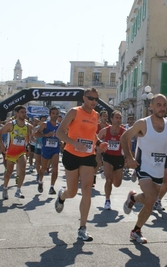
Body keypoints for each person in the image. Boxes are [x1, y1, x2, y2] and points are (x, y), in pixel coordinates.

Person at [120, 94, 167, 243]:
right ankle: (136, 231)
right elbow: (124, 137)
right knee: (152, 198)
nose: (162, 108)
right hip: (143, 166)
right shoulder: (143, 124)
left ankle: (133, 198)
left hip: (159, 168)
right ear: (151, 107)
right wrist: (129, 157)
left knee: (150, 200)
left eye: (164, 105)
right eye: (158, 105)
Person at [55, 87, 108, 242]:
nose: (94, 102)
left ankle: (82, 228)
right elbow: (59, 133)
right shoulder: (74, 112)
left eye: (96, 99)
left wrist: (99, 143)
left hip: (88, 156)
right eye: (91, 98)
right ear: (84, 98)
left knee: (86, 190)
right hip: (71, 154)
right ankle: (62, 196)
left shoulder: (96, 115)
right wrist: (73, 143)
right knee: (71, 192)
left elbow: (92, 134)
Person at [0, 105, 32, 199]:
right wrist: (1, 145)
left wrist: (28, 145)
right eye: (22, 112)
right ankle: (5, 188)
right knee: (9, 172)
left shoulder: (28, 126)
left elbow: (27, 137)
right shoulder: (11, 124)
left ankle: (18, 190)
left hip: (21, 151)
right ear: (16, 113)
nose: (24, 114)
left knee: (23, 169)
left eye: (25, 112)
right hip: (11, 151)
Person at [97, 110, 126, 210]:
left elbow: (128, 147)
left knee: (117, 184)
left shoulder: (124, 132)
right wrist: (98, 153)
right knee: (109, 180)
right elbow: (95, 139)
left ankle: (108, 173)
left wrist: (128, 159)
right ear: (111, 119)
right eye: (116, 118)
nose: (118, 120)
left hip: (119, 158)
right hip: (108, 157)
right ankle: (107, 200)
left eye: (120, 118)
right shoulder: (105, 130)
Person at [35, 109, 60, 195]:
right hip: (46, 149)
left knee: (55, 167)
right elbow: (36, 134)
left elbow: (63, 135)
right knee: (44, 168)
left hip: (55, 149)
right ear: (50, 114)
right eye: (53, 113)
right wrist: (46, 135)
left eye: (56, 114)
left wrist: (62, 141)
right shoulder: (45, 124)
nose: (55, 115)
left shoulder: (60, 126)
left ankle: (52, 187)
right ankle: (40, 181)